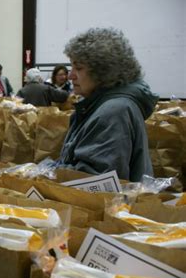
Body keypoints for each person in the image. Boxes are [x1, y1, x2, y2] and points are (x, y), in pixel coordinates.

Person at [56, 27, 158, 181]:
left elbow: (93, 180)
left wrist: (47, 174)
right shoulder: (105, 106)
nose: (70, 75)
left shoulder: (113, 111)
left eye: (78, 68)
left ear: (103, 71)